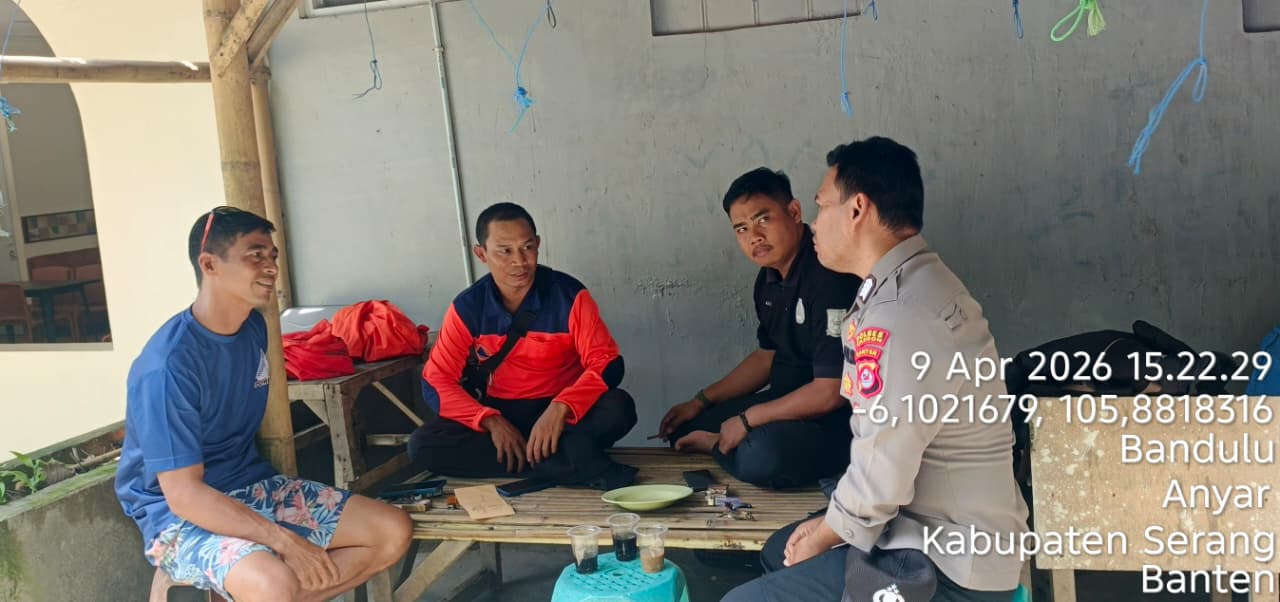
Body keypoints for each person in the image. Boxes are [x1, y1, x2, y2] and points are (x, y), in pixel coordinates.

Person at [724, 137, 1029, 601]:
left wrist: (826, 534)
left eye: (822, 206)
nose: (814, 224)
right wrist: (828, 527)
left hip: (945, 563)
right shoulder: (911, 283)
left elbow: (881, 472)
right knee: (778, 550)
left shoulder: (900, 315)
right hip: (923, 527)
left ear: (857, 209)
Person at [115, 206, 412, 602]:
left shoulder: (253, 327)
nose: (271, 266)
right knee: (272, 584)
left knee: (392, 531)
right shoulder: (167, 366)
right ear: (209, 264)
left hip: (254, 487)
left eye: (272, 255)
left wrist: (284, 546)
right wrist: (285, 543)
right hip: (179, 517)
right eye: (254, 255)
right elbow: (184, 495)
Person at [408, 202, 638, 489]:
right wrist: (489, 421)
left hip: (563, 415)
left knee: (619, 407)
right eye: (505, 251)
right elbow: (436, 381)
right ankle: (567, 463)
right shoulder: (468, 308)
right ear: (481, 254)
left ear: (538, 244)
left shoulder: (569, 296)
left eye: (527, 247)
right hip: (503, 412)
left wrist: (561, 407)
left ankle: (541, 462)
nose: (519, 261)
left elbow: (607, 363)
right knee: (423, 444)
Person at [657, 167, 861, 489]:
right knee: (685, 427)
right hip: (783, 401)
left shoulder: (828, 274)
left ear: (794, 212)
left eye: (763, 219)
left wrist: (746, 420)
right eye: (741, 228)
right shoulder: (767, 279)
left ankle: (719, 446)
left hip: (832, 419)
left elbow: (830, 393)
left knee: (762, 455)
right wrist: (700, 401)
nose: (754, 236)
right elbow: (767, 358)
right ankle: (726, 445)